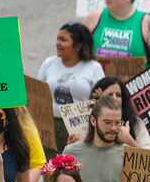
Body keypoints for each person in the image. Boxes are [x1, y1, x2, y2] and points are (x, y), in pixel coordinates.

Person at [37, 22, 105, 151]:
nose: (58, 43)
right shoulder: (48, 63)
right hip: (49, 127)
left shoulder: (94, 68)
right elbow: (36, 94)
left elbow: (101, 100)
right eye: (57, 39)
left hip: (80, 129)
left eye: (63, 40)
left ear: (78, 46)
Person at [65, 95, 127, 182]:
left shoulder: (128, 154)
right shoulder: (71, 153)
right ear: (93, 121)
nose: (113, 128)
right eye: (107, 123)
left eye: (117, 123)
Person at [86, 76, 150, 148]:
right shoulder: (88, 122)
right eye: (110, 95)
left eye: (118, 95)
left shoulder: (135, 123)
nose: (114, 98)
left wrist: (129, 140)